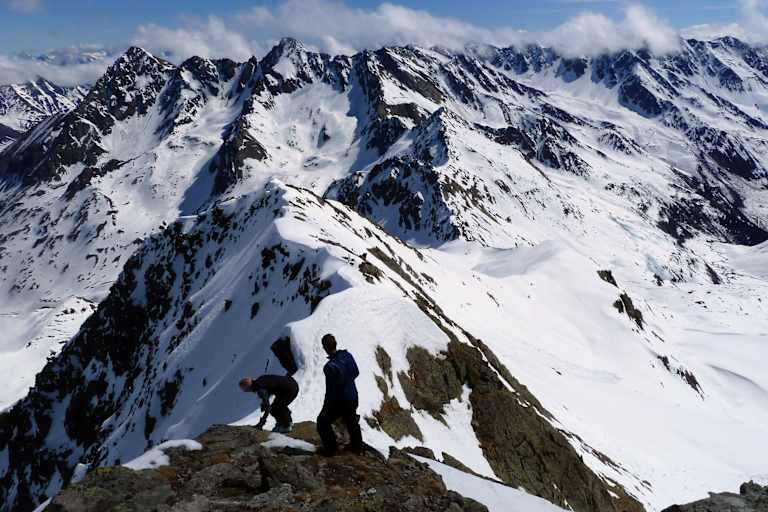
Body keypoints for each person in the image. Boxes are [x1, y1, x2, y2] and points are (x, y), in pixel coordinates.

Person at [316, 333, 363, 456]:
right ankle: (358, 448)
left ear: (324, 348)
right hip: (353, 397)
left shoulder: (329, 367)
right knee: (351, 421)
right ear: (335, 344)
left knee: (322, 422)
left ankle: (331, 449)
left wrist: (325, 408)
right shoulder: (347, 355)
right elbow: (356, 372)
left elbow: (331, 392)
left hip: (341, 402)